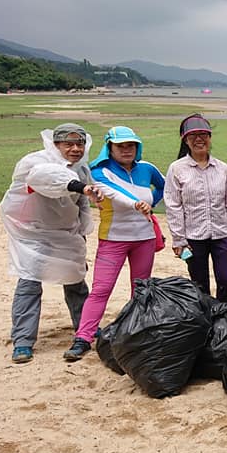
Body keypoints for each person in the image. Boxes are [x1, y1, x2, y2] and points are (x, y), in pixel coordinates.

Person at [0, 123, 104, 363]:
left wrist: (83, 228)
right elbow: (46, 178)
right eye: (69, 144)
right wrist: (81, 187)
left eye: (80, 143)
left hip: (67, 233)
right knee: (29, 284)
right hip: (34, 236)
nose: (76, 149)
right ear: (56, 145)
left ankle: (85, 327)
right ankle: (23, 341)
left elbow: (81, 204)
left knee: (76, 282)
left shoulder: (82, 169)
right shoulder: (34, 162)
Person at [69, 126, 165, 361]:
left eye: (131, 145)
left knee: (140, 289)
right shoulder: (99, 172)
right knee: (102, 289)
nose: (126, 150)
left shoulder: (147, 168)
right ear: (109, 148)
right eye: (120, 146)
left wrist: (151, 201)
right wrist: (137, 204)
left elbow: (164, 186)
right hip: (114, 238)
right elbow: (115, 194)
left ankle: (136, 333)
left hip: (144, 238)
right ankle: (83, 337)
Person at [164, 114, 227, 302]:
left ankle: (224, 314)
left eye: (203, 135)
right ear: (185, 140)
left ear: (210, 138)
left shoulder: (222, 168)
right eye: (193, 136)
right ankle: (205, 317)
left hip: (222, 234)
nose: (199, 140)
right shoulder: (177, 169)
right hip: (193, 236)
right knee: (199, 282)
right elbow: (173, 206)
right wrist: (179, 239)